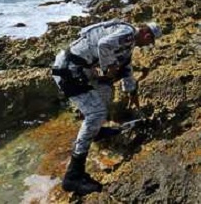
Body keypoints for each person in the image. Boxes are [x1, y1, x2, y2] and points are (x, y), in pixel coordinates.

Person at [51, 19, 162, 195]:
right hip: (68, 71)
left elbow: (126, 70)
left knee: (105, 89)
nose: (146, 46)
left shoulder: (128, 43)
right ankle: (73, 175)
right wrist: (109, 66)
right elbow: (103, 45)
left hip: (80, 69)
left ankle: (96, 131)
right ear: (147, 35)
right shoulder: (127, 34)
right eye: (149, 43)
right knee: (96, 113)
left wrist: (132, 92)